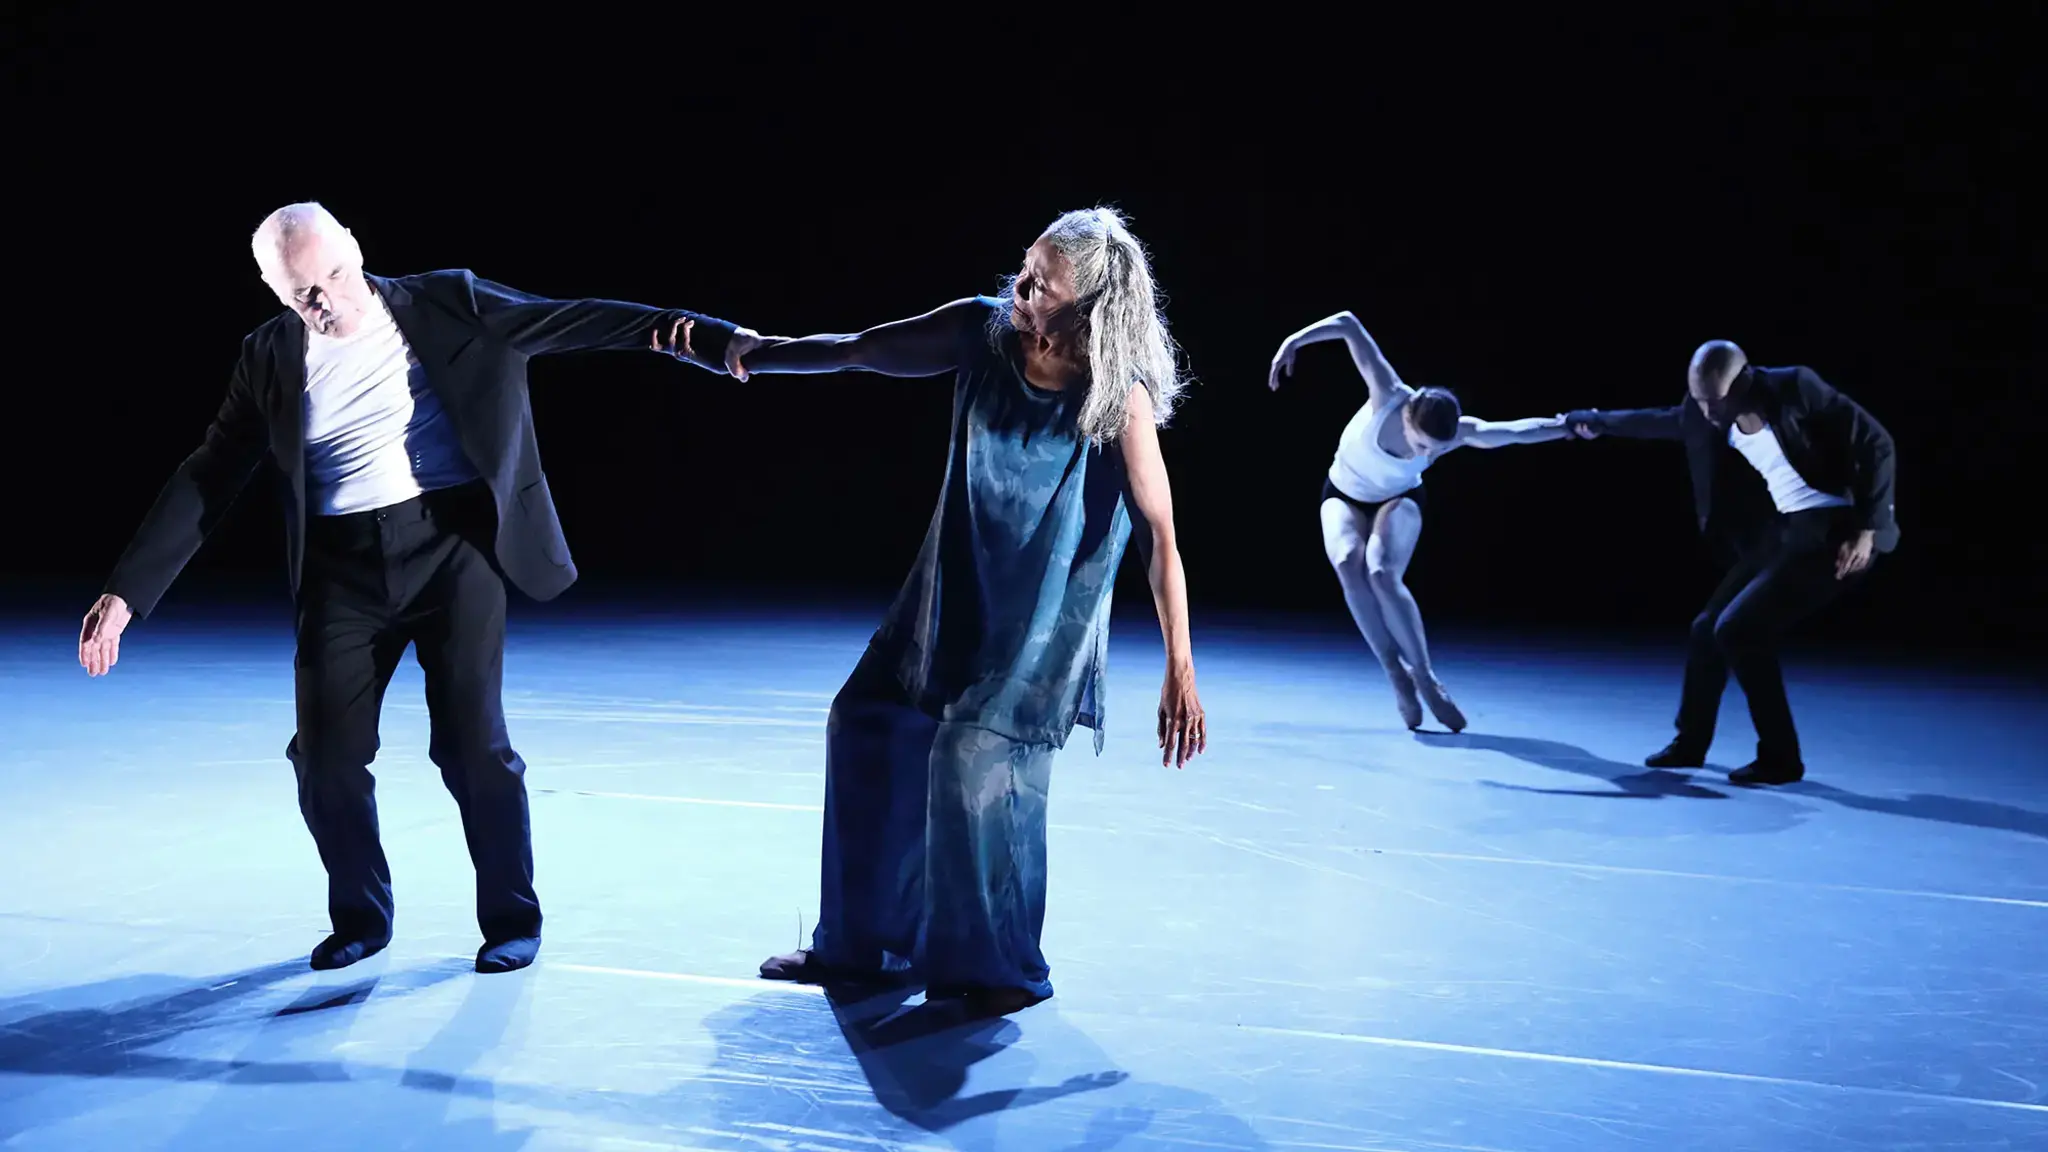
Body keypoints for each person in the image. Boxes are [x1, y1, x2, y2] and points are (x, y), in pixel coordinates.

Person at [76, 202, 742, 973]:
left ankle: (511, 918)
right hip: (342, 567)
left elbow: (575, 320)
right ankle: (361, 917)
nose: (327, 299)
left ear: (354, 248)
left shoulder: (445, 301)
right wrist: (126, 591)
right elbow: (211, 471)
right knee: (323, 759)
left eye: (334, 273)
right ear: (274, 292)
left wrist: (707, 339)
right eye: (303, 293)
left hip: (453, 547)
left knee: (471, 747)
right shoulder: (267, 357)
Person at [658, 207, 1204, 1016]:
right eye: (1023, 267)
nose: (1018, 288)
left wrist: (1179, 668)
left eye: (1041, 283)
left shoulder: (1113, 397)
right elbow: (859, 351)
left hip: (1043, 617)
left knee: (974, 755)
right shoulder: (979, 334)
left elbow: (1159, 533)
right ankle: (868, 946)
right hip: (956, 584)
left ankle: (1000, 968)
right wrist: (753, 353)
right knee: (864, 719)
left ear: (1085, 306)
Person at [1566, 339, 1898, 785]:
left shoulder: (1795, 386)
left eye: (1714, 401)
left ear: (1742, 383)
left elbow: (1876, 443)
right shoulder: (1706, 409)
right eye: (1699, 401)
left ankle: (1781, 757)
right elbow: (1662, 421)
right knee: (1707, 628)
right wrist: (1599, 422)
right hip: (1787, 531)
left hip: (1836, 532)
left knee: (1739, 630)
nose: (1707, 412)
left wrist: (1866, 528)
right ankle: (1690, 744)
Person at [1268, 311, 1576, 732]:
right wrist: (1295, 341)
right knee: (1347, 562)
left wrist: (1567, 427)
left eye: (1432, 451)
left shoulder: (1453, 434)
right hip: (1343, 492)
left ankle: (1426, 677)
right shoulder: (1388, 393)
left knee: (1381, 572)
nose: (1421, 455)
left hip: (1400, 498)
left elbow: (1515, 433)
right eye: (1419, 444)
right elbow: (1348, 323)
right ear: (1409, 415)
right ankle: (1396, 674)